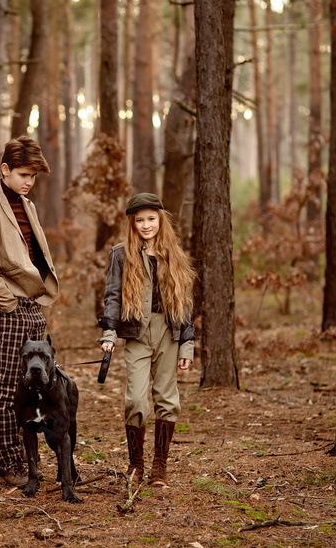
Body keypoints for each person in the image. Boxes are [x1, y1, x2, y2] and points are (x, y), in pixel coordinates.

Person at [0, 136, 59, 487]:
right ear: (4, 170)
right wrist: (7, 301)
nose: (29, 181)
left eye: (33, 176)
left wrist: (34, 300)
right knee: (7, 388)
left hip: (31, 304)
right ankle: (11, 461)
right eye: (23, 174)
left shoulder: (27, 205)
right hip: (2, 307)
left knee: (31, 385)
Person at [98, 192, 197, 486]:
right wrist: (109, 334)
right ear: (132, 223)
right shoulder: (120, 254)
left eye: (151, 219)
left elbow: (185, 304)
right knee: (136, 400)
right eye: (139, 220)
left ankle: (159, 467)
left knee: (167, 399)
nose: (146, 225)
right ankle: (136, 464)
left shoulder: (174, 254)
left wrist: (187, 346)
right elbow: (112, 297)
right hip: (136, 333)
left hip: (168, 332)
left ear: (160, 220)